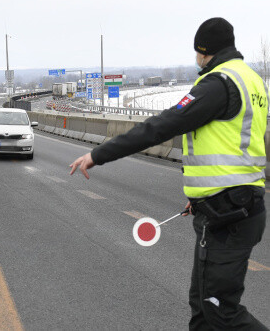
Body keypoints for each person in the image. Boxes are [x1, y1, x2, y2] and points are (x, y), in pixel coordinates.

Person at [70, 18, 267, 330]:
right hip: (231, 205)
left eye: (197, 52)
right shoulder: (252, 80)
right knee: (202, 307)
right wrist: (202, 198)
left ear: (205, 52)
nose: (196, 59)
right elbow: (234, 150)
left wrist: (98, 154)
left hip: (231, 213)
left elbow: (164, 125)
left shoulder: (219, 84)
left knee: (219, 309)